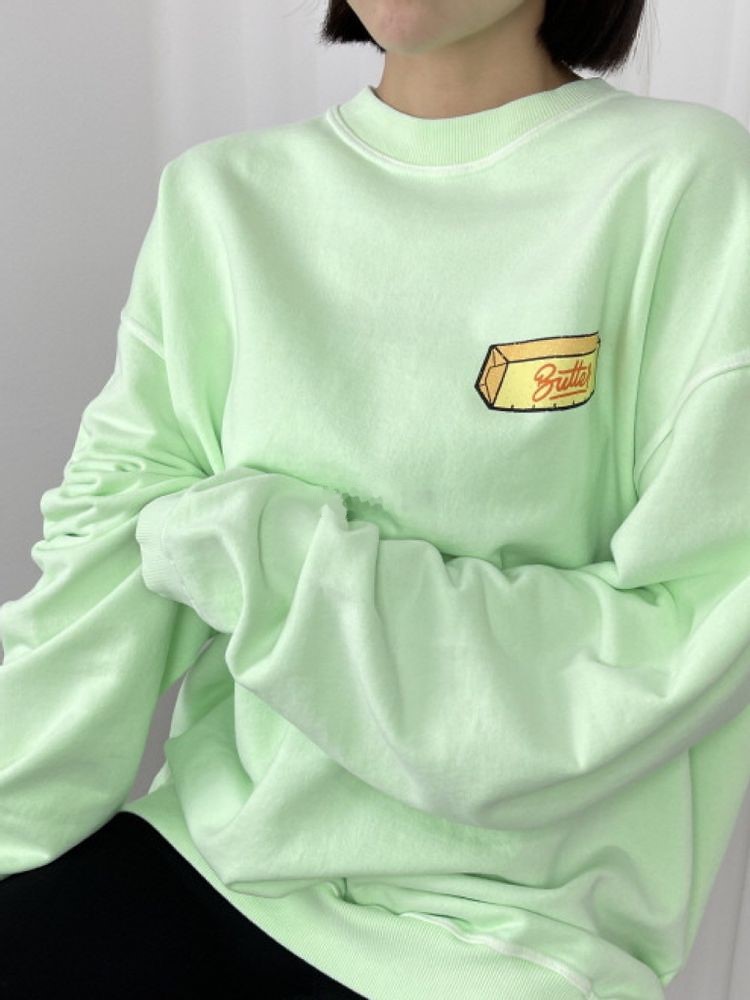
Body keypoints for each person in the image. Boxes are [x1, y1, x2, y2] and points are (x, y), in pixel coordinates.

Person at [2, 1, 750, 998]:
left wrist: (264, 553)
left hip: (512, 936)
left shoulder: (686, 185)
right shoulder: (222, 200)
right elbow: (98, 581)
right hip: (215, 856)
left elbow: (696, 625)